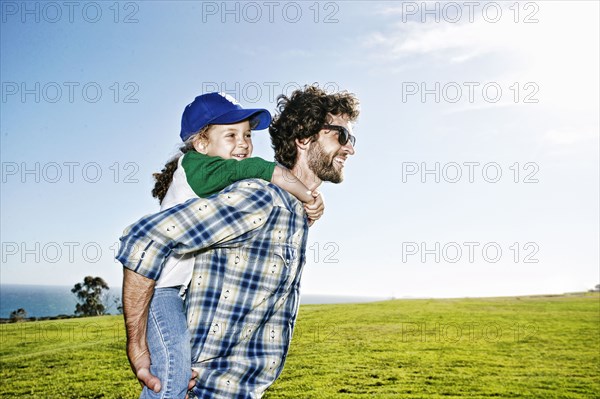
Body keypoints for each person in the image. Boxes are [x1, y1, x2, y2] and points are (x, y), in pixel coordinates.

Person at [117, 84, 359, 398]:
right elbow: (143, 239)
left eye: (351, 138)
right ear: (304, 137)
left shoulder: (291, 210)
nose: (350, 148)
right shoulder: (261, 198)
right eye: (341, 135)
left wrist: (308, 198)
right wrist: (136, 345)